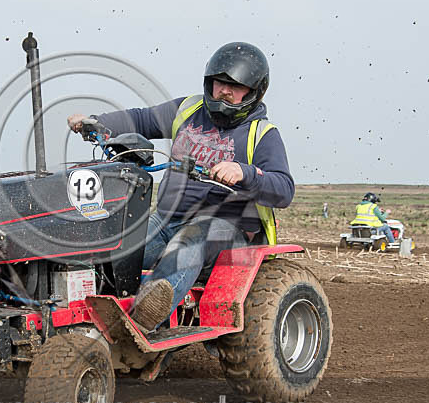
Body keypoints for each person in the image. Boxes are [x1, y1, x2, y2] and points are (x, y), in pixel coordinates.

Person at [68, 42, 294, 332]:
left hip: (225, 228)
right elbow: (140, 118)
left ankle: (141, 322)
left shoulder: (262, 134)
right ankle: (88, 319)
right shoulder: (187, 109)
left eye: (235, 87)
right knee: (118, 249)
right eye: (219, 83)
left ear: (253, 92)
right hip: (166, 218)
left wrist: (244, 172)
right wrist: (96, 122)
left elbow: (284, 188)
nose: (224, 91)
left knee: (189, 243)